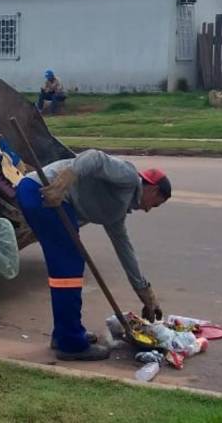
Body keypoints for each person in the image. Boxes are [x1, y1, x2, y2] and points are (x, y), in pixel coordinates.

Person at [15, 150, 171, 361]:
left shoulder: (117, 212)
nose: (149, 210)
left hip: (51, 201)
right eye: (155, 203)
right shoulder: (128, 176)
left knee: (66, 270)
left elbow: (124, 248)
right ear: (152, 189)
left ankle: (64, 334)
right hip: (44, 192)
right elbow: (94, 158)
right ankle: (71, 343)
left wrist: (144, 290)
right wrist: (65, 180)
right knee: (68, 271)